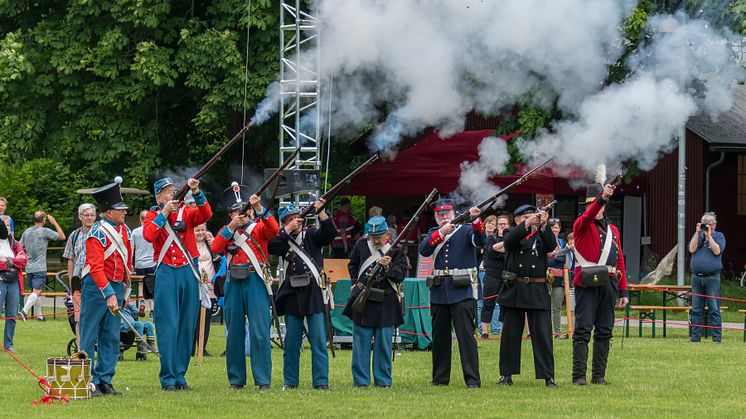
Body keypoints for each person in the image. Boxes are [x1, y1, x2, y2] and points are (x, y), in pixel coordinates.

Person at [143, 176, 212, 391]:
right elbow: (149, 235)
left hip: (188, 270)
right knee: (167, 325)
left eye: (173, 189)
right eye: (166, 190)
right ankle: (168, 377)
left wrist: (197, 191)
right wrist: (165, 212)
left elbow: (206, 214)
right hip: (166, 271)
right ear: (158, 197)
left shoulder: (187, 211)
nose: (171, 192)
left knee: (186, 325)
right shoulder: (154, 215)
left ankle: (180, 376)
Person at [210, 183, 278, 390]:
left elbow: (274, 229)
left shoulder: (258, 227)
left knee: (259, 332)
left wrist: (259, 209)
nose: (242, 215)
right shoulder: (227, 230)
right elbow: (215, 247)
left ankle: (263, 380)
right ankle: (236, 379)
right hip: (233, 283)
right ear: (231, 214)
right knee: (234, 334)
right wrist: (231, 228)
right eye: (237, 212)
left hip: (255, 279)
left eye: (246, 211)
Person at [268, 199, 336, 390]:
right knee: (291, 342)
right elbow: (272, 248)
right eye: (290, 219)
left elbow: (330, 234)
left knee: (318, 340)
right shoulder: (282, 238)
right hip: (292, 293)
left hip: (314, 292)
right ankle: (290, 381)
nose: (296, 221)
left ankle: (321, 381)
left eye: (296, 218)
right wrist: (288, 229)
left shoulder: (312, 234)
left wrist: (321, 212)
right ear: (284, 223)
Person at [418, 199, 484, 388]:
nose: (444, 217)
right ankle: (440, 378)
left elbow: (480, 241)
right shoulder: (434, 233)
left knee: (466, 337)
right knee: (439, 338)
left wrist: (477, 220)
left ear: (455, 214)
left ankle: (472, 379)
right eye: (440, 214)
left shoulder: (466, 230)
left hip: (462, 290)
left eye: (447, 213)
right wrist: (440, 233)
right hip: (440, 290)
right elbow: (424, 250)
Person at [79, 179, 132, 397]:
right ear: (109, 212)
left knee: (111, 336)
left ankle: (105, 379)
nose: (125, 213)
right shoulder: (96, 234)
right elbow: (95, 268)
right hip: (97, 288)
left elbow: (127, 261)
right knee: (89, 335)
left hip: (117, 287)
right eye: (120, 210)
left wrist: (124, 290)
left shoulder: (125, 231)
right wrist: (109, 293)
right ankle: (88, 380)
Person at [571, 183, 629, 385]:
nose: (595, 209)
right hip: (587, 282)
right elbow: (589, 215)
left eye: (599, 205)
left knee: (604, 330)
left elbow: (620, 259)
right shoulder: (581, 224)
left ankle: (599, 376)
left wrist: (623, 291)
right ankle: (579, 376)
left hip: (609, 283)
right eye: (592, 205)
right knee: (583, 330)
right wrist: (602, 197)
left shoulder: (613, 230)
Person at [497, 204, 557, 388]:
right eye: (525, 217)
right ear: (517, 220)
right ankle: (506, 374)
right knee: (510, 336)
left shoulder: (541, 235)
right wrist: (527, 224)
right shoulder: (511, 232)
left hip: (537, 288)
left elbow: (551, 245)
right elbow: (510, 242)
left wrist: (544, 224)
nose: (531, 220)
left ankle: (548, 376)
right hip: (516, 288)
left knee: (542, 336)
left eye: (533, 216)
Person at [343, 216, 407, 388]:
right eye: (373, 237)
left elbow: (401, 275)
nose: (376, 240)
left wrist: (388, 266)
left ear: (387, 233)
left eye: (379, 236)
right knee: (361, 344)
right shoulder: (361, 245)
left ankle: (383, 381)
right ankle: (361, 381)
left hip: (386, 299)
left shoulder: (396, 248)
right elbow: (353, 265)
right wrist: (355, 282)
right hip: (363, 299)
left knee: (383, 345)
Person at [19, 210, 66, 321]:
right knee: (37, 291)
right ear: (44, 220)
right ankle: (24, 311)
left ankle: (39, 316)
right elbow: (62, 236)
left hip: (29, 267)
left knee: (35, 291)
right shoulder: (44, 231)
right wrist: (54, 222)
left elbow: (20, 247)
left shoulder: (27, 231)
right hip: (40, 267)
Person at [688, 211, 725, 343]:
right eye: (707, 224)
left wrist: (709, 236)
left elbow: (717, 251)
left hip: (712, 278)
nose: (710, 226)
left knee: (714, 308)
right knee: (696, 309)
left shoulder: (719, 236)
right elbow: (692, 249)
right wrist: (698, 233)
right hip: (697, 277)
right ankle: (695, 337)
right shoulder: (698, 236)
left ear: (715, 225)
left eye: (712, 224)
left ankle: (716, 338)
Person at [63, 203, 97, 341]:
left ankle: (96, 347)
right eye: (86, 215)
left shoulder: (100, 232)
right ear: (80, 217)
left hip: (97, 281)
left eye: (92, 215)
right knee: (79, 318)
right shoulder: (75, 235)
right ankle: (80, 351)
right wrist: (72, 282)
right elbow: (70, 260)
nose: (89, 218)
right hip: (79, 282)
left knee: (96, 317)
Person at [192, 223, 221, 357]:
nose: (200, 233)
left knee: (206, 317)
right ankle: (191, 348)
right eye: (197, 230)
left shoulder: (210, 244)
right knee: (192, 317)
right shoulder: (188, 244)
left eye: (202, 230)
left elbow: (219, 254)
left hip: (209, 286)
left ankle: (202, 348)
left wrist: (214, 244)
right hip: (194, 285)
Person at [0, 216, 27, 353]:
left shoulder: (15, 244)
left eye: (8, 225)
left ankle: (8, 345)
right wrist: (12, 262)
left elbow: (23, 261)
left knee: (11, 314)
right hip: (0, 281)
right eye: (4, 225)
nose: (6, 228)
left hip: (14, 282)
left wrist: (8, 261)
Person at [481, 214, 509, 338]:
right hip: (492, 273)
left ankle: (504, 330)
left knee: (505, 303)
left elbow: (508, 253)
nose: (502, 226)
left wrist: (500, 248)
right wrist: (501, 244)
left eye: (504, 224)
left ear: (508, 225)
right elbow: (490, 252)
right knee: (488, 301)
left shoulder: (512, 238)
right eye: (500, 224)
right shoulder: (491, 238)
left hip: (506, 274)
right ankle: (485, 331)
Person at [132, 210, 156, 317]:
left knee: (141, 284)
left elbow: (132, 248)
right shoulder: (153, 231)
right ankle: (152, 309)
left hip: (139, 263)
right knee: (151, 286)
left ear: (140, 219)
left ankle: (141, 302)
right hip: (151, 262)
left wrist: (130, 264)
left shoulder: (135, 232)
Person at [547, 219, 567, 338]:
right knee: (546, 306)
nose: (554, 229)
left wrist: (554, 257)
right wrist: (555, 258)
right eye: (552, 227)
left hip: (559, 278)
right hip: (546, 276)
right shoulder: (544, 241)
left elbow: (564, 258)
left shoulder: (562, 242)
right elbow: (545, 260)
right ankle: (546, 331)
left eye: (556, 227)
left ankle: (557, 333)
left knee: (557, 307)